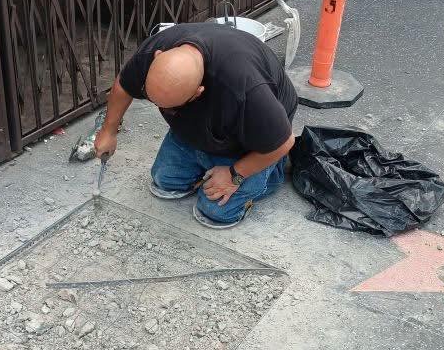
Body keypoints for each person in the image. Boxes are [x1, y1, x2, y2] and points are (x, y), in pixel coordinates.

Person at [94, 22, 297, 228]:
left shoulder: (245, 90)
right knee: (164, 181)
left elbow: (284, 141)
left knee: (215, 212)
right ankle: (207, 158)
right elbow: (124, 84)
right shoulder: (157, 52)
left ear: (198, 92)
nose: (163, 110)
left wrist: (233, 174)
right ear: (157, 56)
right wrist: (108, 131)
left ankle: (271, 173)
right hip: (203, 127)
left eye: (173, 108)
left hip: (251, 140)